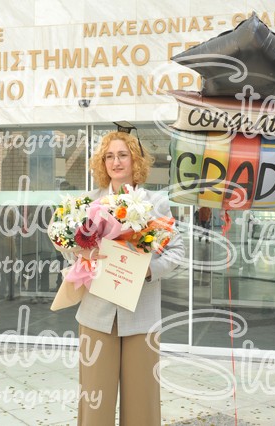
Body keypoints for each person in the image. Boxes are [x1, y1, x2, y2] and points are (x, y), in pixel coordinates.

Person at [75, 131, 185, 425]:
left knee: (141, 402)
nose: (116, 162)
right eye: (109, 156)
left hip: (141, 316)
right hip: (96, 314)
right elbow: (70, 249)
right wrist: (83, 254)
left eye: (123, 155)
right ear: (102, 162)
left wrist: (149, 270)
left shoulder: (156, 203)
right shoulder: (88, 203)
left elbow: (177, 252)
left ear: (135, 160)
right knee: (95, 402)